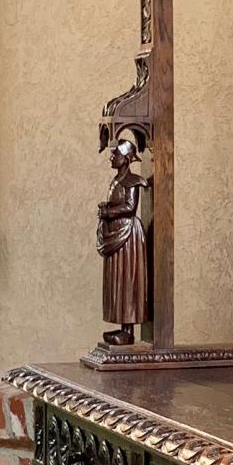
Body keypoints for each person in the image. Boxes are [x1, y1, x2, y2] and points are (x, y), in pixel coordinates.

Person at [97, 133, 148, 344]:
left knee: (127, 279)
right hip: (115, 232)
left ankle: (128, 330)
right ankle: (121, 325)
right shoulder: (116, 180)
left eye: (115, 154)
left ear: (126, 158)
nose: (111, 157)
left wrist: (110, 213)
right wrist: (106, 208)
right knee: (116, 280)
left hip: (127, 234)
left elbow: (130, 206)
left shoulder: (132, 181)